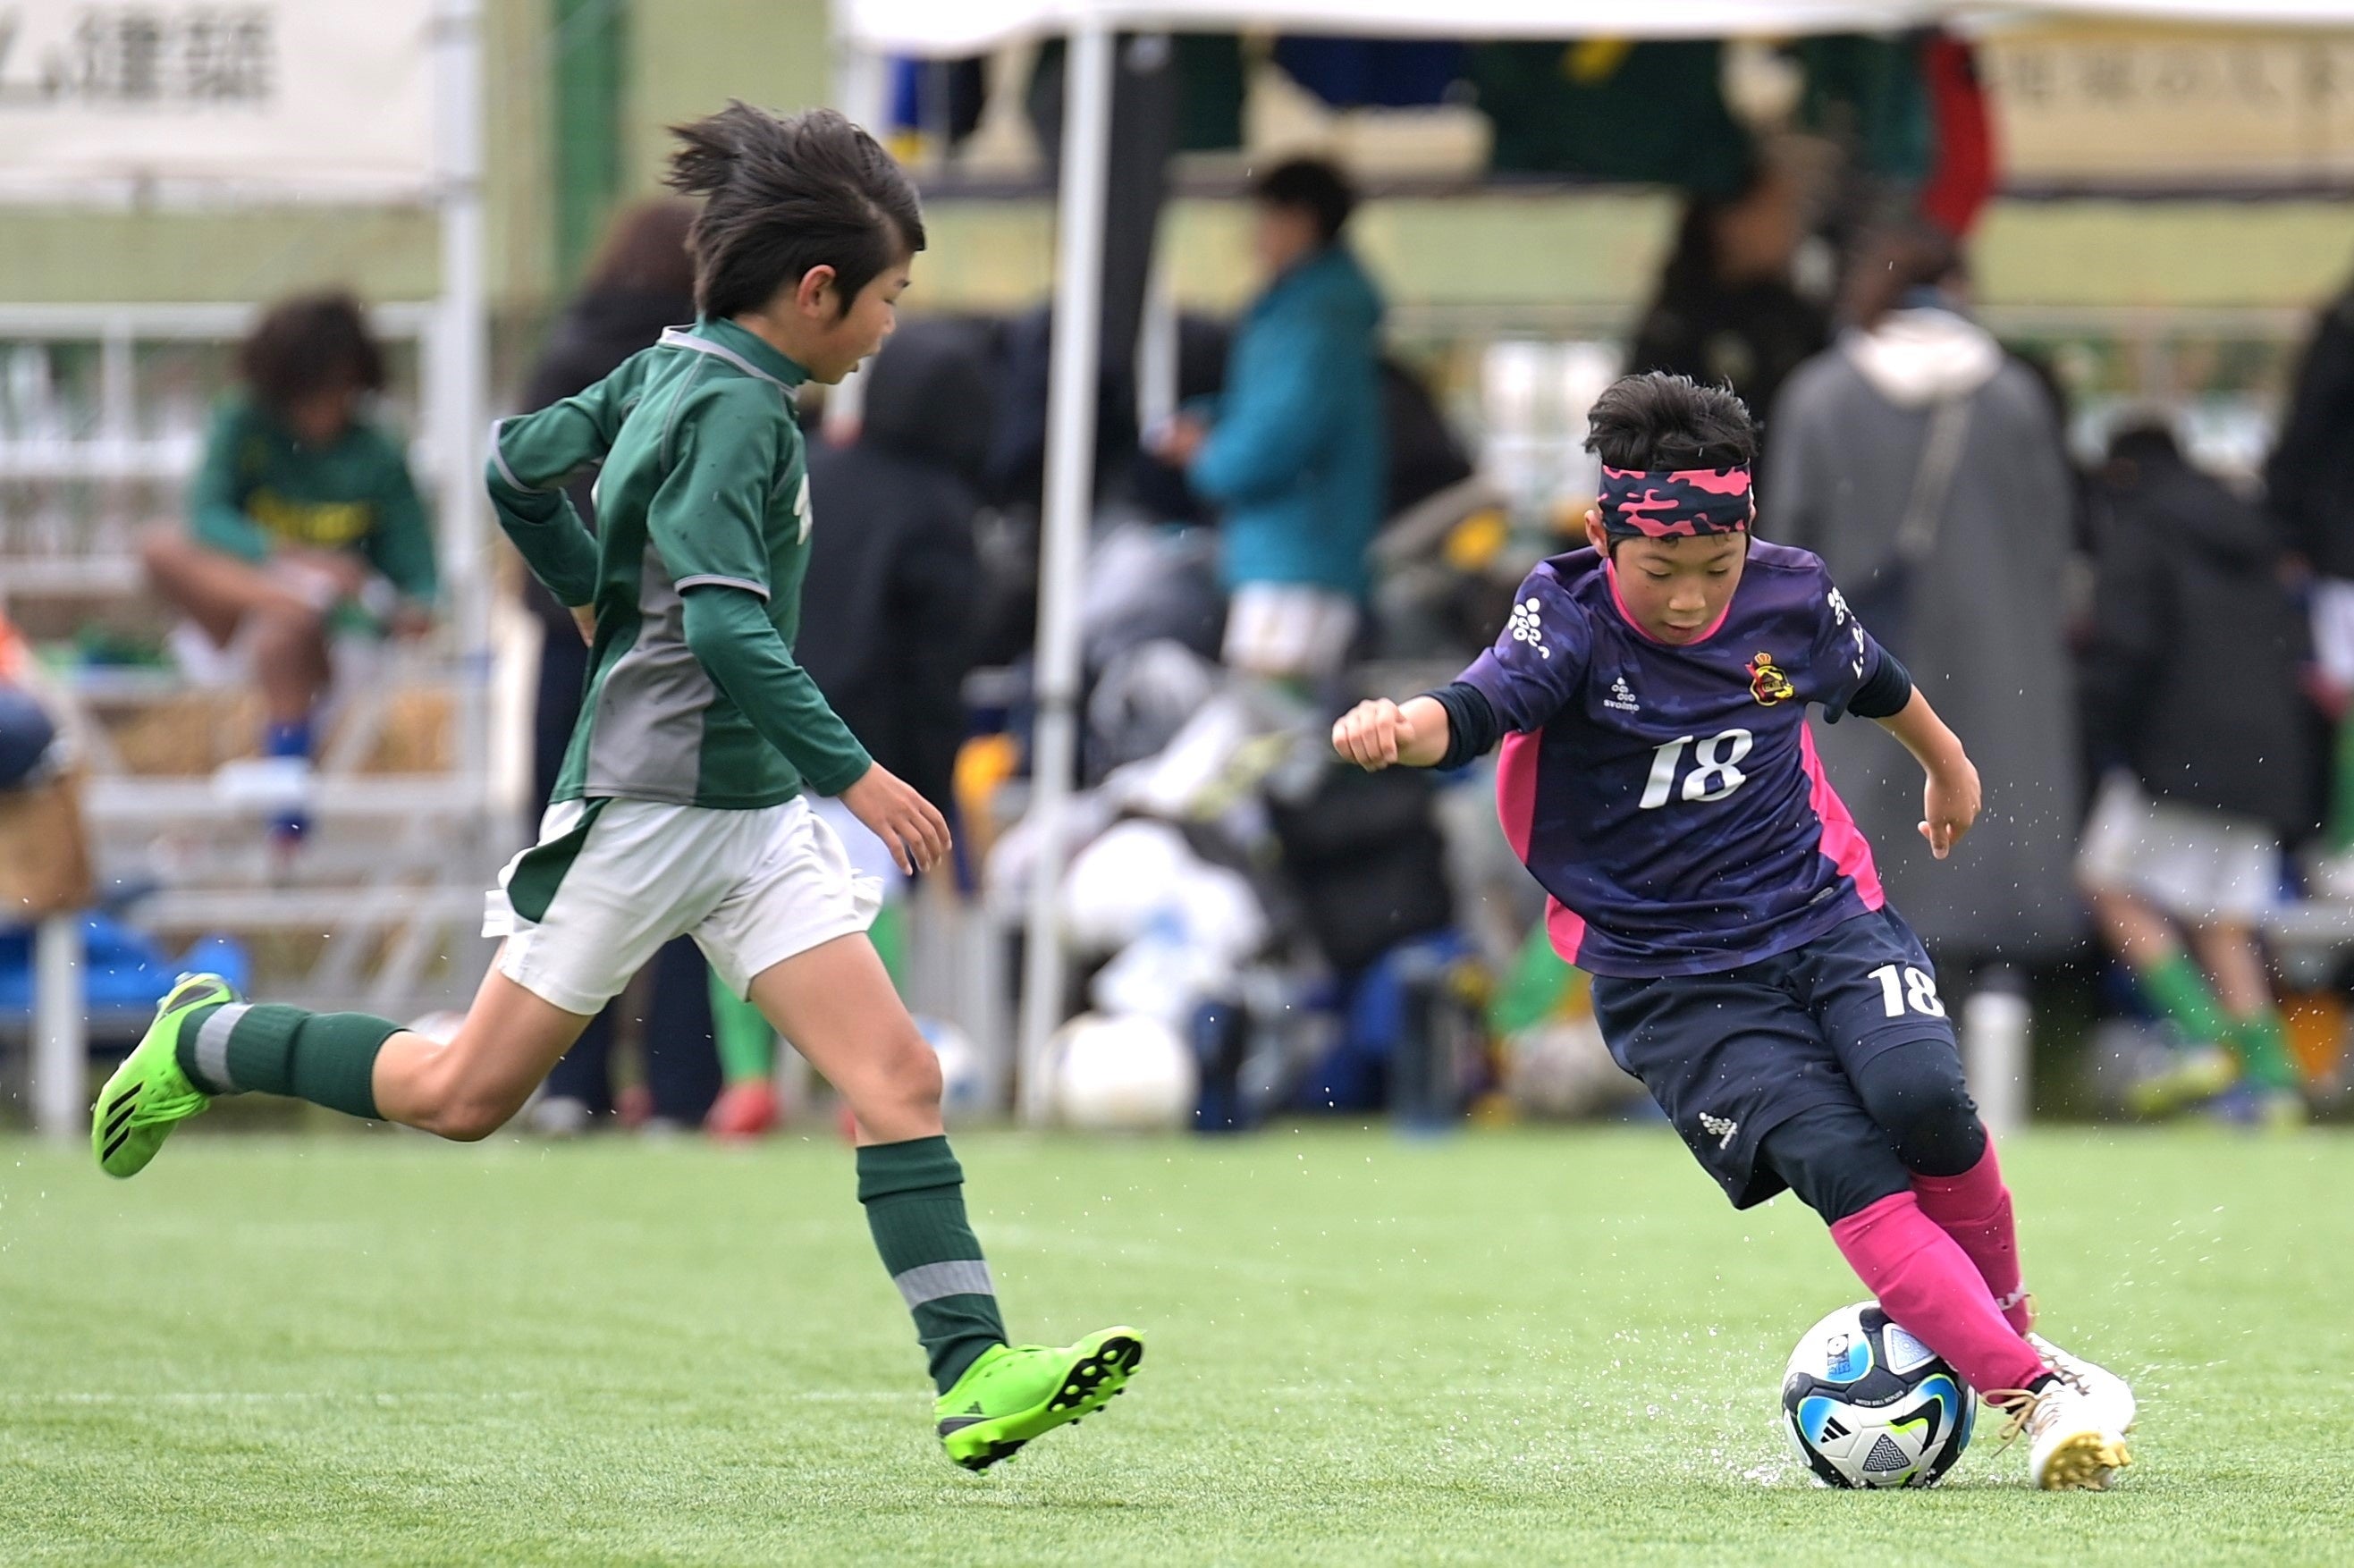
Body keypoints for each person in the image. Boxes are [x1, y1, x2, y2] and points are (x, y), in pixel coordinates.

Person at [91, 103, 1142, 1471]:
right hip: (647, 808)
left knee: (896, 1072)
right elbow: (722, 623)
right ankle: (207, 1040)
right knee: (463, 1092)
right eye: (888, 297)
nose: (891, 326)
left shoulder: (672, 363)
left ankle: (975, 1371)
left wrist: (589, 590)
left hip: (745, 817)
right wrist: (858, 774)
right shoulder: (740, 414)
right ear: (817, 291)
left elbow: (516, 462)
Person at [1330, 373, 2134, 1490]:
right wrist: (1397, 724)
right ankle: (2031, 1396)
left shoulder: (1788, 593)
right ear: (1603, 534)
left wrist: (1947, 764)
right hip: (1672, 982)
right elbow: (1472, 709)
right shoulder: (1563, 616)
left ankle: (2012, 1334)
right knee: (1846, 1164)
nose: (1687, 598)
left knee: (1922, 1100)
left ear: (1745, 533)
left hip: (1823, 913)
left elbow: (1875, 680)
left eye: (1714, 566)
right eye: (1659, 570)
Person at [1764, 227, 2080, 1040]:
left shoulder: (1819, 396)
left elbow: (1780, 554)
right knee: (1983, 852)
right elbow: (2053, 546)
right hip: (1997, 673)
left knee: (1859, 863)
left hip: (1857, 675)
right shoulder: (2013, 398)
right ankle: (1992, 1034)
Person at [701, 317, 991, 1136]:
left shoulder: (806, 468)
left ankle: (747, 1082)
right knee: (864, 900)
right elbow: (935, 666)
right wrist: (930, 782)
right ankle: (865, 1084)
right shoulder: (939, 511)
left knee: (744, 904)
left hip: (756, 726)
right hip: (866, 749)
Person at [512, 198, 726, 1136]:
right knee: (689, 853)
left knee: (568, 857)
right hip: (680, 645)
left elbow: (528, 487)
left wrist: (580, 588)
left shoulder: (567, 360)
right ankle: (681, 1085)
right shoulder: (712, 369)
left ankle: (569, 1080)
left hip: (575, 642)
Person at [2077, 419, 2313, 1128]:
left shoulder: (2144, 529)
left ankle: (2206, 1043)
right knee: (2224, 922)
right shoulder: (2254, 533)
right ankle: (2271, 1080)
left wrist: (2098, 741)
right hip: (2267, 758)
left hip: (2174, 755)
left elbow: (2123, 646)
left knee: (2106, 884)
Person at [143, 292, 438, 842]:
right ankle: (291, 601)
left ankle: (287, 809)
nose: (323, 408)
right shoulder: (244, 422)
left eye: (338, 391)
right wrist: (292, 560)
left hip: (326, 640)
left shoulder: (377, 451)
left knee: (284, 630)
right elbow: (206, 516)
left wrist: (413, 608)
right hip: (242, 605)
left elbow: (418, 570)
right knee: (161, 546)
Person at [1155, 156, 1385, 685]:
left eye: (1265, 219)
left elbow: (1282, 431)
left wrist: (1208, 455)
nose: (1254, 237)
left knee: (1270, 715)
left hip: (1297, 557)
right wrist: (1211, 421)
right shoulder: (1311, 311)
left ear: (1300, 220)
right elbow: (1271, 406)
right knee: (1274, 712)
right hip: (1297, 549)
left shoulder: (1315, 320)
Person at [1625, 161, 1827, 450]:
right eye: (1774, 211)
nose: (1790, 226)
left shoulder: (1799, 320)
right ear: (1728, 221)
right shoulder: (1676, 327)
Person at [2265, 270, 2354, 877]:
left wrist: (2285, 523)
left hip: (2340, 549)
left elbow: (2307, 428)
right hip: (2339, 545)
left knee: (2341, 694)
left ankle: (2342, 846)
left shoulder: (2342, 326)